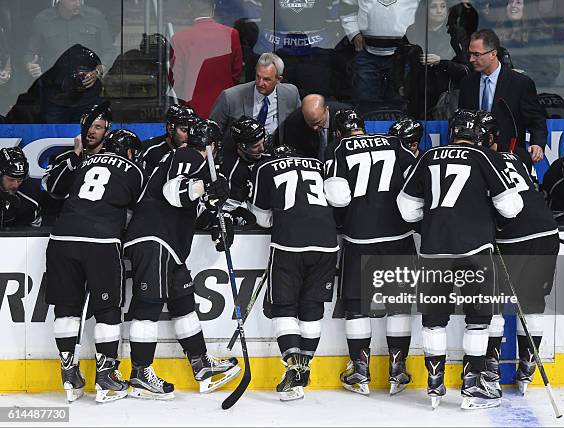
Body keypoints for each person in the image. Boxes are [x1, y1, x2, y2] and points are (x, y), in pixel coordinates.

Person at [396, 109, 523, 410]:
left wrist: (435, 221)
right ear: (479, 134)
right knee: (479, 321)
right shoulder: (484, 157)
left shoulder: (428, 157)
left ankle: (434, 384)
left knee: (434, 322)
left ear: (452, 132)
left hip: (433, 252)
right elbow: (511, 206)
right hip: (475, 252)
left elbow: (406, 208)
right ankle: (471, 387)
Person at [123, 119, 240, 399]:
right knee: (148, 307)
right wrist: (206, 187)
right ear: (212, 146)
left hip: (169, 246)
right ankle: (140, 373)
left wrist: (218, 220)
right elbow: (175, 192)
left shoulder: (194, 164)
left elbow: (192, 207)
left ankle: (201, 365)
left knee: (183, 303)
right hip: (154, 239)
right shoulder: (187, 155)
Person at [44, 129, 145, 403]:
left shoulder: (84, 162)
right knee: (108, 308)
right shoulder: (134, 170)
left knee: (66, 308)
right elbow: (138, 211)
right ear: (130, 152)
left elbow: (56, 191)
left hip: (62, 237)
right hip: (101, 240)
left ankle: (69, 374)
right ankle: (107, 377)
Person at [323, 110, 417, 396]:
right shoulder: (394, 142)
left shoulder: (337, 148)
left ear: (338, 132)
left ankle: (360, 372)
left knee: (358, 307)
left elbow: (338, 196)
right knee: (398, 304)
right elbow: (417, 181)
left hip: (360, 237)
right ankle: (397, 371)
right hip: (399, 235)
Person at [475, 111, 559, 396]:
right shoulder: (519, 155)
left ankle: (492, 368)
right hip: (547, 230)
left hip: (513, 236)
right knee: (533, 301)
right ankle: (527, 365)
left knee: (495, 303)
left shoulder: (479, 161)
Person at [247, 144, 339, 401]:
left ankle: (293, 366)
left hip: (289, 244)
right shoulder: (318, 165)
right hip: (327, 243)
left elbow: (262, 219)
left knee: (284, 308)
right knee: (311, 308)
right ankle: (304, 367)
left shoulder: (265, 167)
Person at [458, 29, 547, 167]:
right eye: (470, 54)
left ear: (493, 54)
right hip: (474, 159)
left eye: (476, 54)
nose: (471, 59)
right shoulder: (467, 83)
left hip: (508, 157)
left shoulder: (520, 83)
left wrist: (538, 143)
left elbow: (536, 119)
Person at [25, 0, 115, 123]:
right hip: (54, 96)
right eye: (73, 0)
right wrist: (31, 64)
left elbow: (109, 51)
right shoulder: (43, 19)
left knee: (87, 136)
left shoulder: (95, 17)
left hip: (87, 93)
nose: (78, 3)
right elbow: (30, 53)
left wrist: (98, 71)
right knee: (54, 136)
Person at [169, 0, 242, 119]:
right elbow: (237, 72)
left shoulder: (179, 39)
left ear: (190, 9)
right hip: (224, 108)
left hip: (192, 109)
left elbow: (175, 79)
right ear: (213, 8)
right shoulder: (231, 34)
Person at [209, 52, 301, 147]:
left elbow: (299, 128)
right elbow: (211, 132)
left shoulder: (291, 94)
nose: (260, 83)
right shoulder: (230, 97)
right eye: (258, 76)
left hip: (275, 156)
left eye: (266, 79)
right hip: (238, 156)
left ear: (278, 80)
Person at [402, 0, 470, 119]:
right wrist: (400, 86)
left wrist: (441, 62)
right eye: (434, 7)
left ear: (448, 11)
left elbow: (465, 69)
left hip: (444, 96)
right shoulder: (412, 31)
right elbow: (400, 60)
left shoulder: (457, 34)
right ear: (425, 11)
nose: (439, 11)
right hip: (416, 94)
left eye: (443, 7)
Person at [340, 0, 418, 102]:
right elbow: (346, 6)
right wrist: (354, 33)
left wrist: (416, 38)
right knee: (365, 103)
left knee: (400, 104)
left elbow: (424, 11)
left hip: (403, 55)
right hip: (366, 53)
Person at [43, 103, 112, 207]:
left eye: (98, 127)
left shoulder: (113, 158)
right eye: (88, 126)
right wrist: (75, 155)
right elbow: (53, 190)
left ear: (106, 132)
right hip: (71, 214)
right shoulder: (62, 157)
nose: (91, 131)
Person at [493, 0, 560, 88]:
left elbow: (552, 71)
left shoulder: (540, 34)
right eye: (510, 2)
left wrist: (524, 76)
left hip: (532, 92)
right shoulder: (497, 34)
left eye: (518, 2)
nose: (513, 5)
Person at [220, 115, 267, 226]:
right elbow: (230, 208)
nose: (262, 149)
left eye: (263, 142)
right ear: (242, 146)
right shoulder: (230, 168)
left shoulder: (268, 154)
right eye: (256, 146)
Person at [274, 94, 351, 161]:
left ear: (326, 109)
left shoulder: (345, 116)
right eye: (310, 123)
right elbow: (295, 153)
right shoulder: (294, 121)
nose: (315, 128)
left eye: (318, 122)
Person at [138, 104, 196, 177]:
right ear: (170, 129)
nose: (189, 135)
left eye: (192, 130)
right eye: (184, 130)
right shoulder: (150, 151)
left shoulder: (196, 150)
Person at [0, 147, 42, 228]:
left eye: (20, 180)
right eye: (11, 180)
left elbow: (35, 231)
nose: (15, 185)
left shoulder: (31, 195)